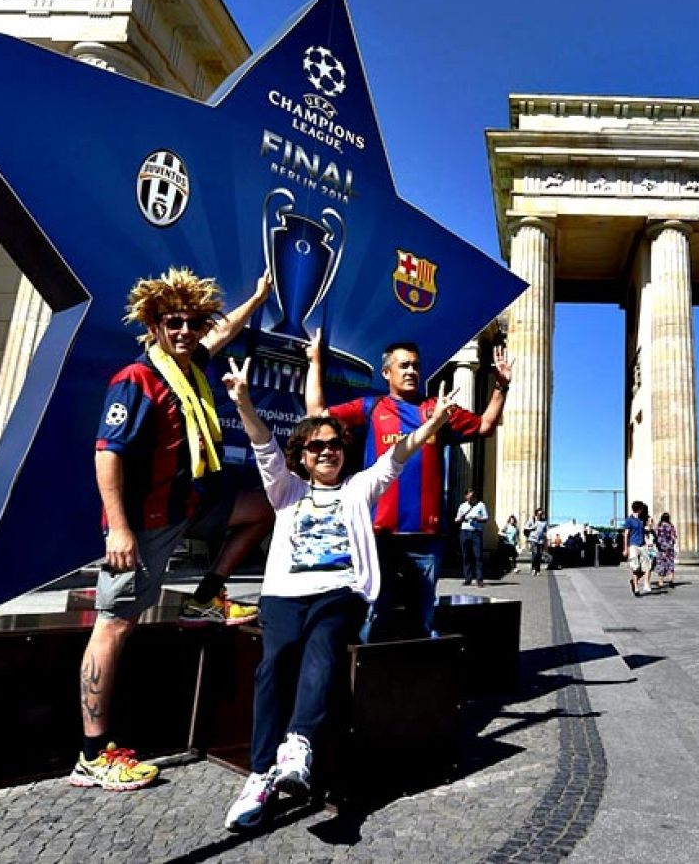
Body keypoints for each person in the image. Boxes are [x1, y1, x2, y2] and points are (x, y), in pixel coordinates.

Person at [219, 356, 459, 830]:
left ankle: (299, 745)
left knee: (324, 649)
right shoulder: (285, 491)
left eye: (334, 444)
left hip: (338, 593)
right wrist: (244, 401)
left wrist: (432, 421)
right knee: (275, 662)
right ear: (303, 457)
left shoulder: (358, 490)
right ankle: (260, 774)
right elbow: (262, 443)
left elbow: (399, 456)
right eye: (316, 447)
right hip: (284, 594)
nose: (327, 451)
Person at [71, 267, 273, 792]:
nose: (185, 330)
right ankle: (93, 754)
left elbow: (221, 332)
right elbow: (106, 456)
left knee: (263, 509)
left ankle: (206, 597)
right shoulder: (136, 379)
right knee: (114, 625)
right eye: (173, 322)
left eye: (192, 321)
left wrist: (255, 299)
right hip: (143, 525)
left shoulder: (189, 367)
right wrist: (119, 529)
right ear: (154, 325)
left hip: (191, 507)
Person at [307, 339, 512, 637]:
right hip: (379, 536)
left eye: (416, 365)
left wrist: (501, 386)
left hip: (426, 540)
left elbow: (484, 426)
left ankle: (415, 679)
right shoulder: (371, 407)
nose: (411, 371)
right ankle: (365, 679)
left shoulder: (437, 409)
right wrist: (315, 361)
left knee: (421, 619)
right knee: (371, 616)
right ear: (386, 372)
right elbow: (318, 413)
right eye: (404, 365)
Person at [456, 489, 489, 588]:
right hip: (465, 532)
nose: (471, 499)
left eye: (473, 497)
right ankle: (468, 578)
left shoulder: (481, 505)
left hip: (476, 532)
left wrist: (477, 518)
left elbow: (486, 518)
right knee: (466, 556)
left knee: (478, 556)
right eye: (469, 497)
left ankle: (479, 579)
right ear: (466, 497)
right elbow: (457, 519)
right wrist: (461, 518)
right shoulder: (462, 506)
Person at [624, 501, 650, 596]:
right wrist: (626, 548)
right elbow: (626, 534)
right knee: (635, 568)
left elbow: (645, 531)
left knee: (647, 566)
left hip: (642, 545)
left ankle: (646, 583)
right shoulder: (629, 520)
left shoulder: (642, 519)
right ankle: (635, 586)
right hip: (633, 545)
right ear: (639, 509)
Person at [654, 512, 679, 589]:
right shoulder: (671, 526)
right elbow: (674, 538)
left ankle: (660, 582)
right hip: (669, 549)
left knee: (661, 565)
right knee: (670, 565)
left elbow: (655, 537)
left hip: (660, 548)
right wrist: (671, 544)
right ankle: (671, 581)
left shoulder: (658, 527)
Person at [526, 508, 550, 574]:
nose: (540, 515)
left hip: (541, 540)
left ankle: (538, 569)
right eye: (539, 514)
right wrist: (532, 528)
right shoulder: (532, 520)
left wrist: (545, 536)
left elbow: (545, 530)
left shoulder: (544, 522)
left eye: (541, 514)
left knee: (539, 555)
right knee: (535, 553)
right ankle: (533, 568)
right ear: (536, 514)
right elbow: (526, 527)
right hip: (533, 539)